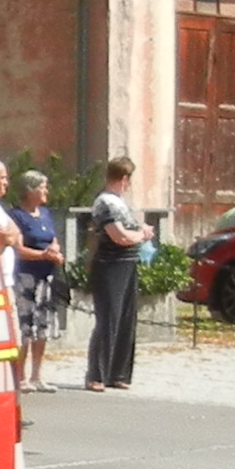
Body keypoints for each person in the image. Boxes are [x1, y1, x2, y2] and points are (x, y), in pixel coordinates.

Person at [84, 155, 152, 392]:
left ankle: (117, 373)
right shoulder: (105, 202)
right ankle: (96, 374)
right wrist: (142, 235)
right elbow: (119, 236)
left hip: (127, 264)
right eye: (129, 179)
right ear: (124, 179)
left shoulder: (121, 203)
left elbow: (130, 230)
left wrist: (140, 231)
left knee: (126, 319)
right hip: (110, 266)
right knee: (108, 319)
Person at [8, 167, 66, 394]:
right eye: (42, 187)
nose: (46, 191)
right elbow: (18, 249)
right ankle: (21, 377)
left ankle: (37, 375)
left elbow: (53, 239)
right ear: (30, 190)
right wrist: (43, 255)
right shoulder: (17, 216)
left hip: (46, 277)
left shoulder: (45, 214)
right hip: (26, 277)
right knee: (25, 326)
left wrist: (55, 252)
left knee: (42, 327)